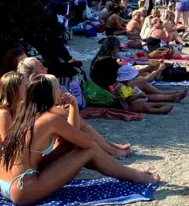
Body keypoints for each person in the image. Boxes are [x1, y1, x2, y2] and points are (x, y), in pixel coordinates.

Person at [0, 75, 159, 205]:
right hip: (22, 188)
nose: (62, 91)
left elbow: (70, 141)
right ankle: (136, 177)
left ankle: (130, 173)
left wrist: (73, 108)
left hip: (7, 182)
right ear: (51, 93)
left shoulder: (26, 115)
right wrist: (73, 106)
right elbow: (87, 143)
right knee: (90, 149)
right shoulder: (49, 119)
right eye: (58, 88)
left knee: (72, 146)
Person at [113, 65, 185, 114]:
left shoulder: (121, 84)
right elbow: (128, 99)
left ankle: (159, 104)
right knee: (144, 107)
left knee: (143, 103)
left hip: (126, 103)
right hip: (124, 106)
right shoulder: (122, 87)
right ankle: (160, 110)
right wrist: (139, 96)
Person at [0, 72, 27, 141]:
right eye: (25, 86)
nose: (28, 88)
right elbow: (6, 143)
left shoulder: (19, 107)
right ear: (14, 89)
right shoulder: (4, 113)